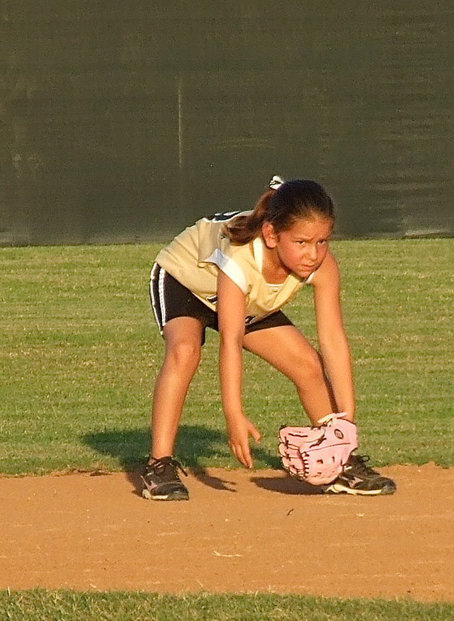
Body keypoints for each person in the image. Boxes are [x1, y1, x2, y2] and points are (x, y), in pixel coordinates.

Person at [142, 176, 396, 501]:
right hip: (186, 281)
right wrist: (233, 413)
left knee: (308, 365)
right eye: (302, 242)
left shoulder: (322, 266)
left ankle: (342, 462)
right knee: (185, 350)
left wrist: (345, 422)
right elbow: (231, 340)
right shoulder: (241, 258)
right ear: (272, 235)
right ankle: (158, 464)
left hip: (247, 297)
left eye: (323, 241)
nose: (313, 254)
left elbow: (333, 338)